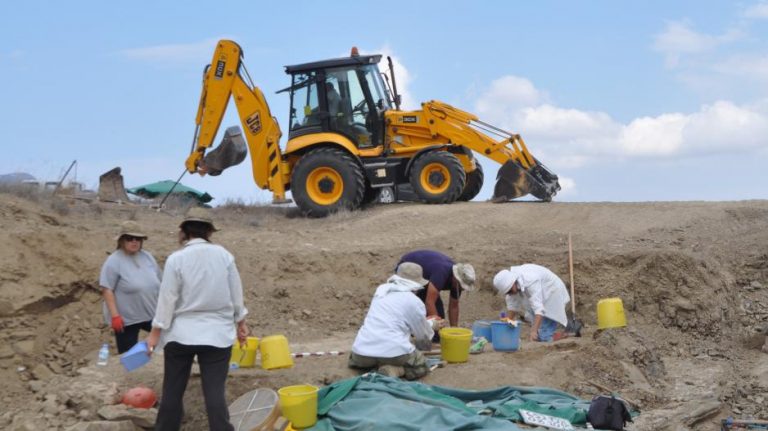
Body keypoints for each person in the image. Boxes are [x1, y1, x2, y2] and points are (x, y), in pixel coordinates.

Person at [146, 208, 248, 431]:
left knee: (172, 391)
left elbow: (167, 298)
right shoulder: (225, 256)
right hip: (217, 335)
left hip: (181, 334)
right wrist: (241, 324)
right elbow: (236, 294)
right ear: (209, 231)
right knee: (214, 395)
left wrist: (155, 334)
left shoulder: (176, 259)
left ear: (183, 231)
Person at [348, 262, 443, 380]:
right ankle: (395, 370)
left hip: (361, 354)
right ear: (416, 285)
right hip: (393, 352)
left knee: (372, 357)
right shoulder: (414, 301)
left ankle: (374, 366)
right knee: (421, 365)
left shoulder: (381, 291)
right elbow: (422, 337)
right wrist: (431, 325)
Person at [99, 220, 161, 354]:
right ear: (121, 240)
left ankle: (150, 363)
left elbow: (159, 282)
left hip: (151, 314)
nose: (134, 241)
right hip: (127, 319)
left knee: (165, 341)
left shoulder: (148, 257)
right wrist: (115, 316)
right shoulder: (114, 261)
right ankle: (132, 373)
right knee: (128, 355)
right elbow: (107, 288)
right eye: (129, 238)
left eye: (138, 238)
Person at [397, 250, 475, 329]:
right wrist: (438, 328)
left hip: (427, 276)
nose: (462, 288)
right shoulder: (441, 273)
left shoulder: (458, 284)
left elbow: (454, 306)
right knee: (417, 308)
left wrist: (455, 330)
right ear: (456, 277)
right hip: (408, 268)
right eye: (461, 284)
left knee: (439, 316)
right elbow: (429, 302)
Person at [493, 263, 571, 342]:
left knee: (544, 337)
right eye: (507, 292)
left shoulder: (530, 280)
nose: (509, 293)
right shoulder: (513, 285)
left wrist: (533, 331)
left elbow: (539, 309)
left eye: (509, 291)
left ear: (513, 282)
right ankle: (548, 333)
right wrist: (505, 325)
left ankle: (563, 335)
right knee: (539, 332)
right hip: (540, 295)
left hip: (552, 292)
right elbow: (512, 306)